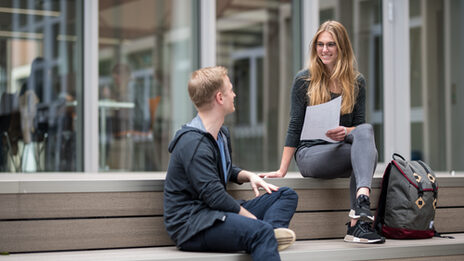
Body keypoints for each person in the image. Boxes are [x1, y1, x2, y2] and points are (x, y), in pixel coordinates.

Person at [260, 21, 385, 244]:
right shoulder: (304, 80)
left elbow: (359, 127)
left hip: (340, 149)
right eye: (320, 44)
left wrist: (345, 131)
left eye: (331, 45)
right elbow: (295, 125)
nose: (324, 50)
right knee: (368, 153)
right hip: (311, 154)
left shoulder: (357, 82)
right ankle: (360, 220)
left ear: (342, 48)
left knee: (366, 132)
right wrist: (282, 169)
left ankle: (359, 210)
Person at [164, 66, 298, 261]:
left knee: (285, 195)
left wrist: (248, 175)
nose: (234, 95)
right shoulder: (192, 143)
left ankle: (271, 235)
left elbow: (223, 170)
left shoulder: (220, 135)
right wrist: (254, 222)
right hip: (193, 225)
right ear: (220, 97)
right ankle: (266, 234)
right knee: (261, 231)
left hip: (215, 214)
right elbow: (215, 196)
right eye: (231, 90)